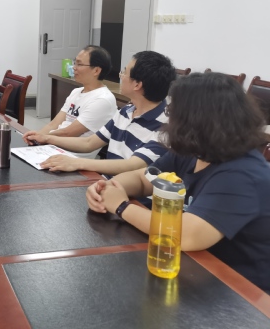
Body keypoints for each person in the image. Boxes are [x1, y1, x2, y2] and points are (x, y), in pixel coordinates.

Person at [86, 72, 270, 292]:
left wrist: (121, 206)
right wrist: (112, 187)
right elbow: (144, 178)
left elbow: (187, 235)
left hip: (239, 290)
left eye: (173, 111)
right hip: (192, 268)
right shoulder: (195, 151)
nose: (169, 118)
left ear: (196, 119)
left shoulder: (242, 174)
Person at [26, 50, 176, 175]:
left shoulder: (167, 127)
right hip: (107, 184)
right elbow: (89, 143)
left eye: (124, 72)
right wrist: (47, 138)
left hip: (130, 195)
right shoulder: (126, 111)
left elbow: (131, 165)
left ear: (137, 84)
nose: (121, 76)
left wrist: (77, 163)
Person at [23, 45, 117, 159]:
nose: (74, 67)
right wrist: (37, 138)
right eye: (75, 63)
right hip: (52, 146)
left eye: (79, 64)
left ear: (96, 70)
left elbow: (68, 133)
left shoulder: (103, 99)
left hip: (71, 156)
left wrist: (43, 137)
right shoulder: (76, 92)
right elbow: (53, 124)